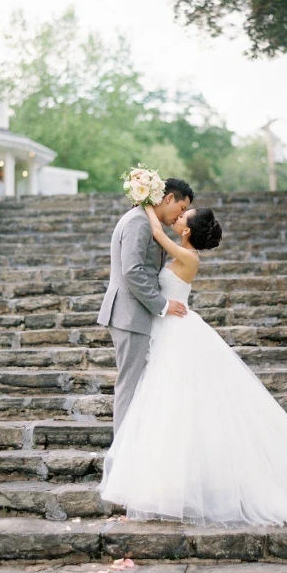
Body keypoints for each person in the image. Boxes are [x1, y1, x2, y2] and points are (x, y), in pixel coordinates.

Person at [99, 204, 287, 528]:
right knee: (167, 405)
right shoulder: (183, 250)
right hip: (167, 327)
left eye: (181, 217)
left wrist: (146, 201)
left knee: (174, 402)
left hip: (177, 331)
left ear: (187, 231)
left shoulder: (188, 256)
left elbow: (154, 232)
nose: (176, 218)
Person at [97, 178, 193, 434]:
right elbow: (132, 270)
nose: (180, 216)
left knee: (138, 385)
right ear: (169, 198)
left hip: (135, 315)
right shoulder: (138, 222)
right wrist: (162, 305)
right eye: (181, 209)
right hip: (130, 315)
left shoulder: (144, 219)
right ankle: (122, 457)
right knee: (130, 385)